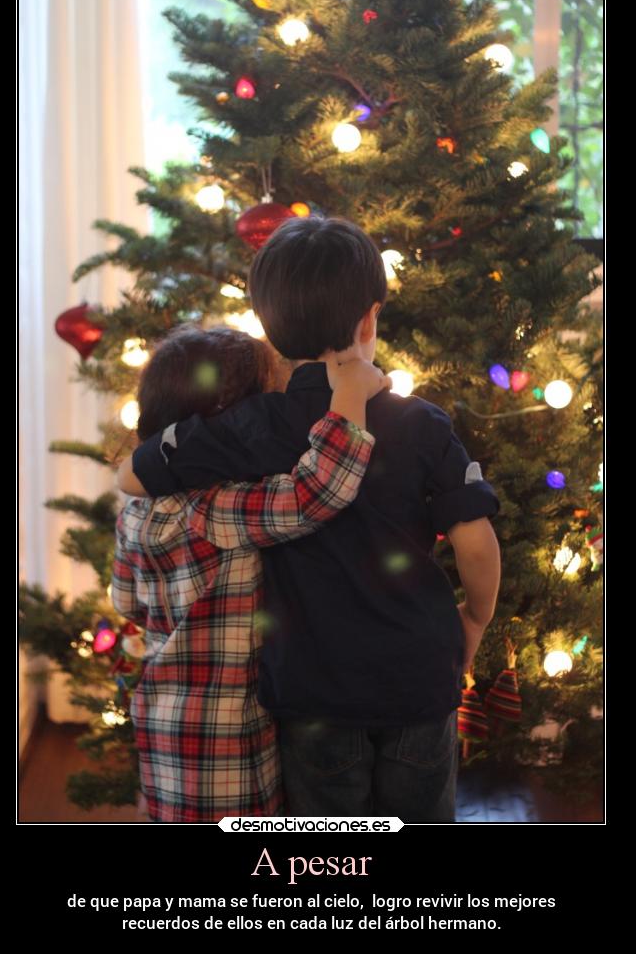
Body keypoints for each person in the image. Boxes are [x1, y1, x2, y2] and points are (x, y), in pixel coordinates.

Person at [121, 217, 501, 822]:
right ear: (370, 321)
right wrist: (476, 619)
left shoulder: (255, 425)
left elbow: (139, 472)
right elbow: (475, 540)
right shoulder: (422, 424)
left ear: (270, 334)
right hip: (418, 680)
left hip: (312, 693)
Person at [113, 324, 388, 822]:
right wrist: (352, 391)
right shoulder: (218, 508)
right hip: (225, 737)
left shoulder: (135, 510)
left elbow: (125, 602)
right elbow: (319, 490)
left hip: (159, 720)